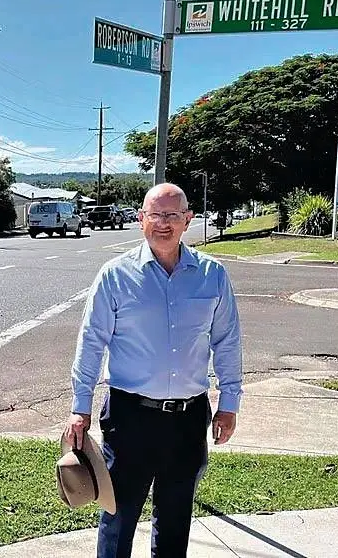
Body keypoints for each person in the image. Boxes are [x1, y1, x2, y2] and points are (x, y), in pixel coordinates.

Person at [65, 183, 243, 558]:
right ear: (141, 219)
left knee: (176, 520)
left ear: (188, 220)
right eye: (155, 215)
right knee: (118, 515)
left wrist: (229, 402)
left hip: (188, 418)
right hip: (130, 418)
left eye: (172, 215)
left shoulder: (212, 275)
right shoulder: (115, 275)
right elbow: (91, 341)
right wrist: (80, 407)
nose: (164, 223)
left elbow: (226, 341)